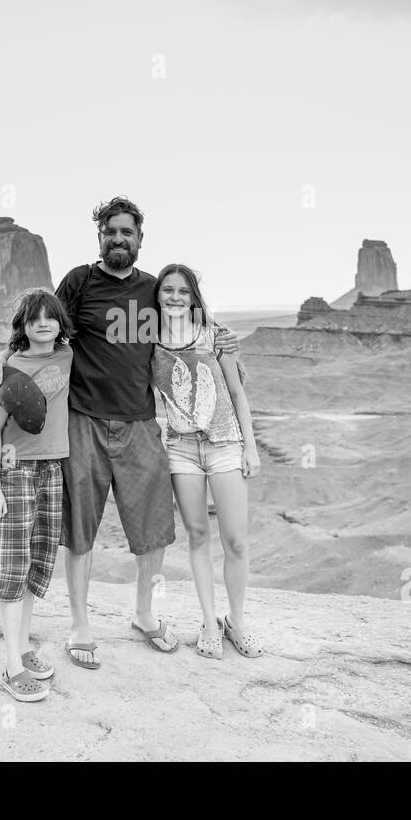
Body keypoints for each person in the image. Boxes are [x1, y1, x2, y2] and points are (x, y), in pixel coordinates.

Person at [0, 197, 239, 669]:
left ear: (140, 238)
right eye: (110, 231)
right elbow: (45, 331)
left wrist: (222, 336)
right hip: (83, 422)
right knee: (79, 531)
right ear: (99, 236)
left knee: (153, 530)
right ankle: (80, 625)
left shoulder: (152, 288)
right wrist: (2, 358)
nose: (118, 239)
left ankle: (143, 614)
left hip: (141, 423)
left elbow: (190, 320)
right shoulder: (79, 282)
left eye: (128, 232)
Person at [151, 264, 262, 659]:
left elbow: (236, 392)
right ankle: (209, 621)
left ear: (193, 296)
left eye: (183, 291)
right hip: (181, 448)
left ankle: (237, 621)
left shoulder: (215, 336)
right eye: (168, 290)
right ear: (158, 296)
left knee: (235, 540)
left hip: (225, 445)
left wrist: (250, 447)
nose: (176, 297)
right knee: (197, 537)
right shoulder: (149, 343)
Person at [0, 288, 74, 701]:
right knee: (13, 565)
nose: (42, 323)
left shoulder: (69, 356)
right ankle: (11, 665)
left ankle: (23, 645)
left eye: (49, 316)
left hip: (52, 470)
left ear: (60, 323)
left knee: (37, 560)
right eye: (33, 318)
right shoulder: (9, 369)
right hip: (14, 472)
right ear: (22, 326)